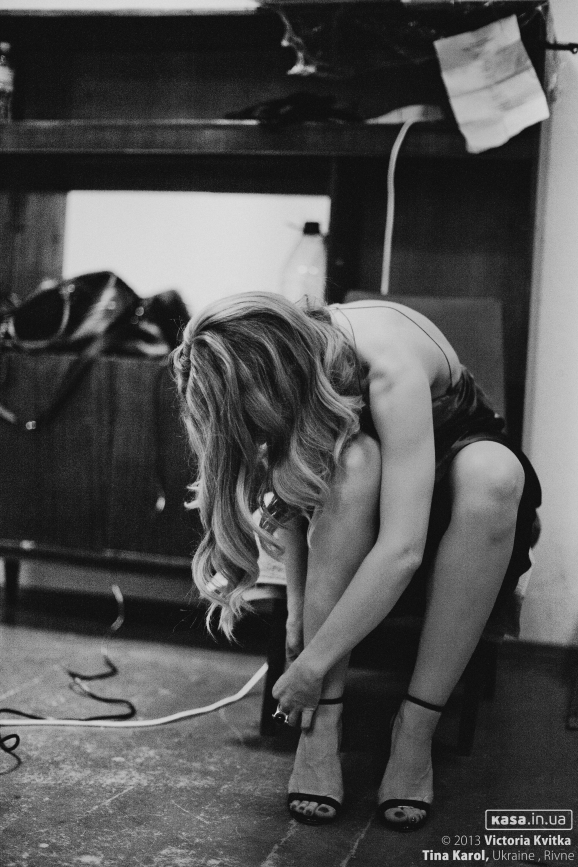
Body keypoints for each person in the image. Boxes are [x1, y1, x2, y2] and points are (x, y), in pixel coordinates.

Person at [171, 292, 541, 831]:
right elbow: (297, 480)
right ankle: (320, 731)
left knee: (496, 477)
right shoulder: (278, 354)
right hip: (357, 488)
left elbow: (403, 549)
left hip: (452, 462)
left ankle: (414, 732)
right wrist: (297, 617)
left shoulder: (387, 366)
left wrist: (310, 666)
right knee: (353, 461)